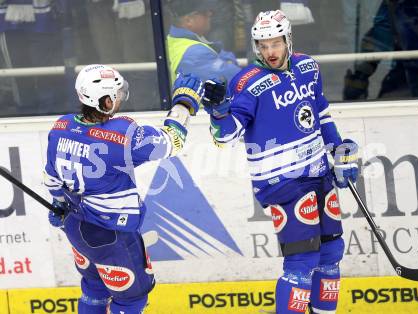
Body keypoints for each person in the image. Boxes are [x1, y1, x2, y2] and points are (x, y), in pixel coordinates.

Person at [202, 10, 358, 314]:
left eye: (275, 44)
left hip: (319, 172)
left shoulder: (308, 67)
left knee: (331, 252)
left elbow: (321, 115)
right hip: (282, 182)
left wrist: (339, 150)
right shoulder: (246, 82)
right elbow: (226, 136)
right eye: (263, 46)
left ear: (287, 40)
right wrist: (219, 112)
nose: (270, 52)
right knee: (302, 260)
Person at [43, 64, 202, 313]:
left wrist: (58, 204)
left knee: (94, 288)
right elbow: (173, 141)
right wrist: (183, 104)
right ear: (106, 101)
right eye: (116, 94)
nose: (120, 98)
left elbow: (51, 178)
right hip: (112, 236)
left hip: (75, 228)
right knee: (131, 299)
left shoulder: (60, 127)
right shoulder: (122, 136)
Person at [166, 0, 241, 84]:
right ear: (188, 21)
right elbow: (237, 77)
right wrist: (228, 61)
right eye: (204, 12)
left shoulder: (173, 40)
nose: (210, 14)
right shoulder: (195, 55)